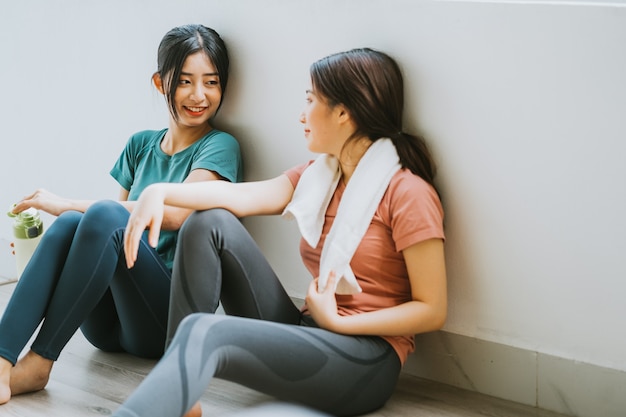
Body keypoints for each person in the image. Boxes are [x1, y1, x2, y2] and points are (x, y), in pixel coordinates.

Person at [116, 47, 446, 417]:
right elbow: (239, 196)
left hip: (366, 359)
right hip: (310, 329)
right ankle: (183, 397)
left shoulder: (408, 193)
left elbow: (432, 310)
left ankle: (171, 394)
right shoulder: (318, 176)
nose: (301, 115)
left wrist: (336, 321)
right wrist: (161, 192)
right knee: (209, 221)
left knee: (205, 331)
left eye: (310, 101)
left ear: (343, 112)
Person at [0, 24, 242, 405]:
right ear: (161, 83)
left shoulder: (219, 146)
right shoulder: (140, 145)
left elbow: (176, 212)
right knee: (71, 225)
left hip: (164, 322)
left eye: (211, 82)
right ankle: (2, 359)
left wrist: (67, 201)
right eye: (185, 82)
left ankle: (40, 361)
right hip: (109, 328)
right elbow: (109, 231)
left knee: (86, 214)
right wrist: (66, 221)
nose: (200, 95)